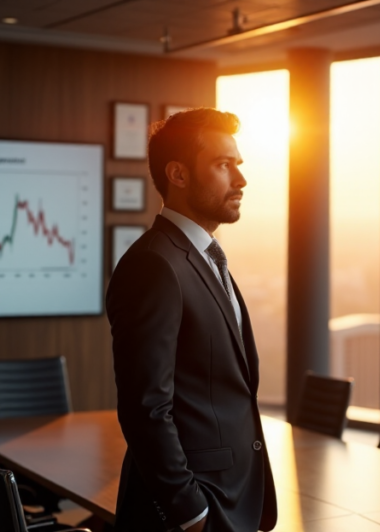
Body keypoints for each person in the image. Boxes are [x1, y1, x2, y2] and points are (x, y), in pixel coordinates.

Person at [106, 108, 277, 532]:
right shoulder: (154, 264)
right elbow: (146, 407)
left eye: (238, 164)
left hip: (233, 498)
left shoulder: (201, 257)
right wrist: (192, 513)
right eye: (223, 165)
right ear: (178, 175)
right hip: (192, 511)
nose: (241, 180)